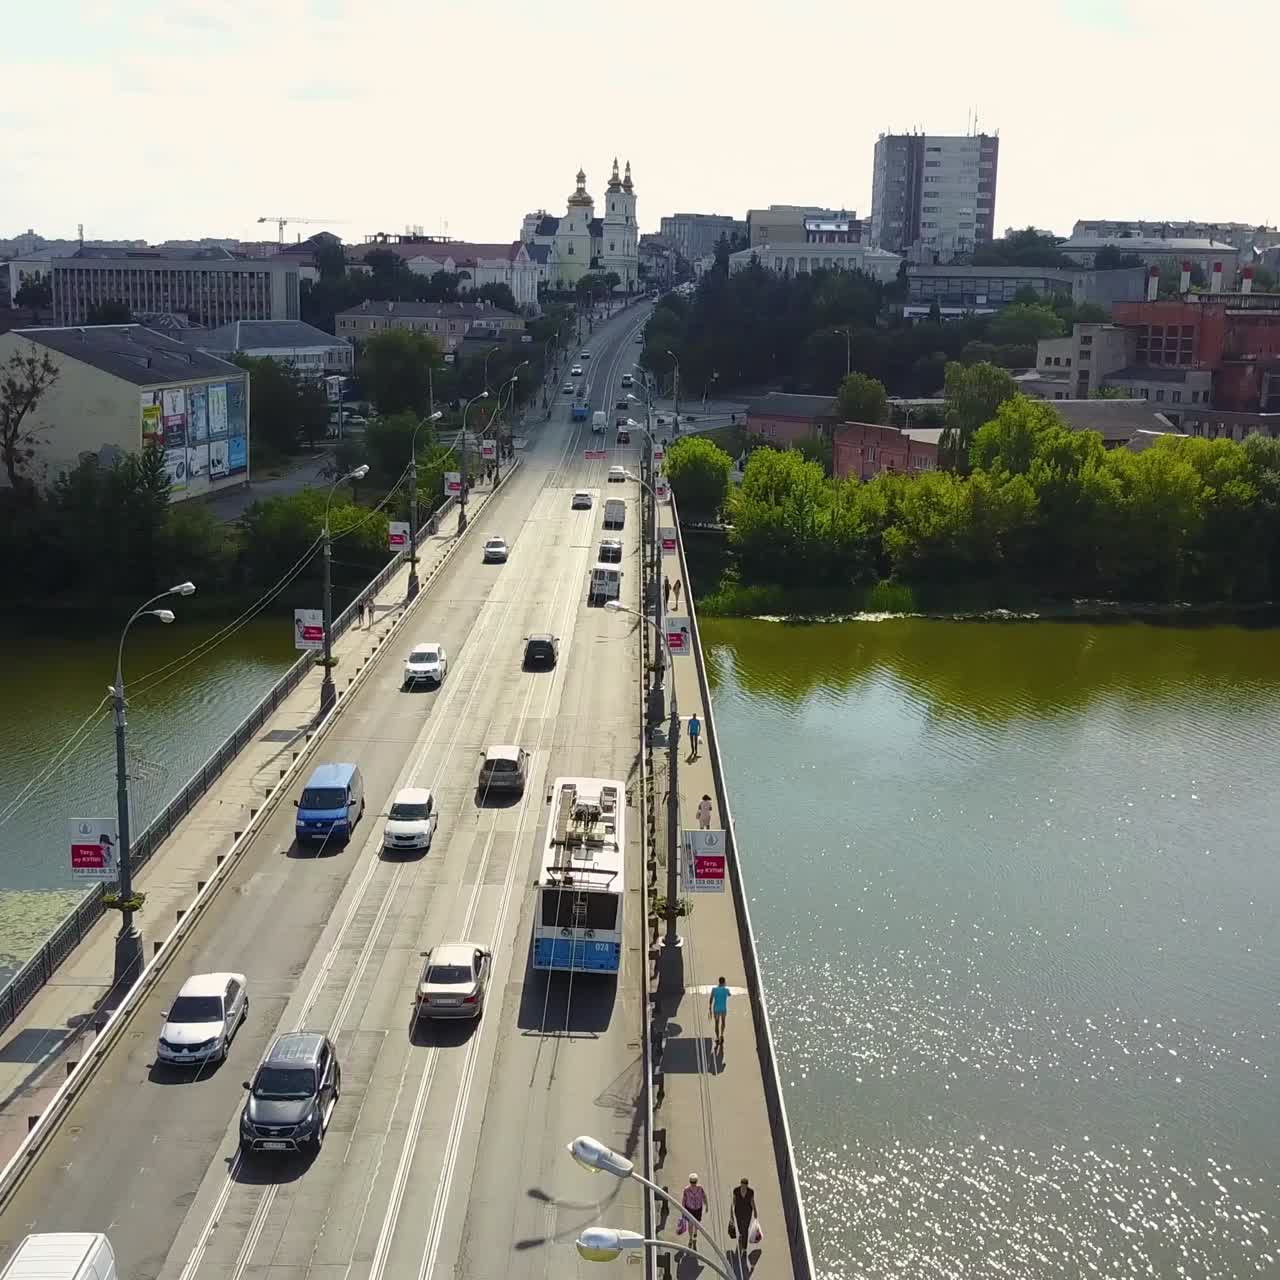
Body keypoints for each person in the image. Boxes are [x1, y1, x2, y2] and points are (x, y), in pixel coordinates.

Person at [730, 1178, 757, 1254]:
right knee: (740, 1227)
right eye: (742, 1186)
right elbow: (733, 1201)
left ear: (747, 1186)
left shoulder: (750, 1192)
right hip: (738, 1212)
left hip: (747, 1213)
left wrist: (755, 1211)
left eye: (744, 1186)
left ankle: (744, 1248)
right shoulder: (736, 1190)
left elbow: (752, 1201)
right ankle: (741, 1235)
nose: (743, 1188)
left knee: (745, 1229)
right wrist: (731, 1213)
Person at [680, 1174, 706, 1249]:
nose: (693, 1184)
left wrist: (706, 1204)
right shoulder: (686, 1190)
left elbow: (704, 1196)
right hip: (690, 1209)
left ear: (696, 1182)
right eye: (692, 1182)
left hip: (698, 1208)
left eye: (694, 1182)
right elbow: (684, 1199)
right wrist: (683, 1209)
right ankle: (691, 1237)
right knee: (690, 1224)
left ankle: (695, 1233)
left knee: (696, 1223)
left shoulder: (700, 1188)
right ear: (690, 1182)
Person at [709, 975, 730, 1046]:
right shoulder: (726, 990)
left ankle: (717, 1038)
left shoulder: (714, 990)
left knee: (716, 1023)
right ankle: (722, 1035)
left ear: (719, 982)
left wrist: (709, 1007)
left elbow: (711, 999)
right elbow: (729, 995)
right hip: (723, 1009)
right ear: (724, 982)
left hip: (716, 1009)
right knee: (723, 1022)